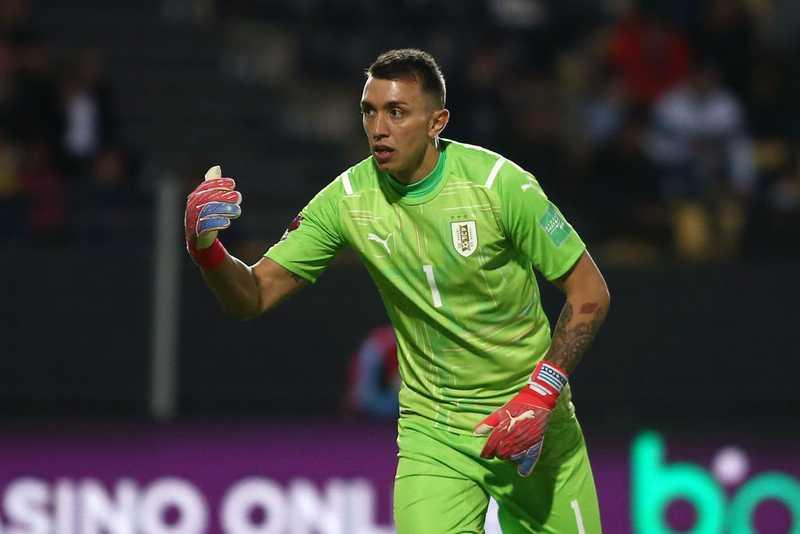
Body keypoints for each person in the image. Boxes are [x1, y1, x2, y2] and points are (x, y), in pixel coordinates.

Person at [185, 49, 609, 533]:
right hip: (435, 434)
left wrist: (540, 396)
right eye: (369, 111)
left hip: (531, 420)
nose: (378, 128)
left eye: (396, 112)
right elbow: (254, 294)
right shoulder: (347, 200)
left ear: (436, 122)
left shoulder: (499, 185)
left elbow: (590, 292)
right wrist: (207, 252)